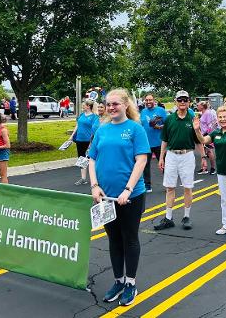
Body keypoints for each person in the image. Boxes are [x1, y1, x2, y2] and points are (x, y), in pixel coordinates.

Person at [88, 88, 149, 306]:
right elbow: (92, 159)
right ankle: (118, 281)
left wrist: (128, 189)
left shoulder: (135, 129)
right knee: (114, 240)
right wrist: (95, 186)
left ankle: (131, 283)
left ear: (126, 105)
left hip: (130, 197)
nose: (111, 107)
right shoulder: (102, 130)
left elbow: (141, 160)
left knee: (129, 238)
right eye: (108, 104)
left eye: (116, 104)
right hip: (105, 197)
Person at [193, 106, 226, 238]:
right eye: (220, 117)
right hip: (221, 171)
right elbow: (203, 140)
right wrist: (197, 130)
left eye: (224, 117)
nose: (222, 119)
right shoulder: (215, 132)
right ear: (217, 118)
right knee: (224, 199)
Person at [154, 90, 198, 231]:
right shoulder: (170, 119)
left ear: (189, 102)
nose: (183, 102)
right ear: (176, 102)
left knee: (187, 187)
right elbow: (165, 140)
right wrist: (161, 157)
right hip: (172, 155)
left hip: (187, 155)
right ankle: (168, 218)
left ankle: (186, 217)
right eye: (180, 100)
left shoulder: (192, 118)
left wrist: (203, 157)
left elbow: (199, 140)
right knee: (170, 187)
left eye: (185, 99)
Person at [140, 93, 168, 193]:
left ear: (154, 100)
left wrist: (159, 127)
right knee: (145, 165)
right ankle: (147, 186)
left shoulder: (161, 111)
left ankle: (168, 184)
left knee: (164, 164)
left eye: (150, 100)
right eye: (146, 100)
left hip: (159, 142)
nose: (148, 102)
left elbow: (168, 124)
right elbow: (141, 125)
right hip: (146, 143)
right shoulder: (143, 111)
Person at [69, 99, 99, 185]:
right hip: (79, 139)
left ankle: (96, 178)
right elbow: (77, 125)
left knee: (91, 159)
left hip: (88, 141)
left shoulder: (94, 117)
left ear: (88, 106)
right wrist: (71, 136)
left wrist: (91, 142)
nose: (82, 106)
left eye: (84, 105)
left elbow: (94, 129)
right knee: (81, 159)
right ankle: (83, 178)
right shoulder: (81, 115)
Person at [196, 101, 217, 175]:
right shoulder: (203, 113)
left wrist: (207, 135)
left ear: (202, 106)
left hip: (207, 135)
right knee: (204, 152)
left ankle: (213, 168)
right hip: (203, 135)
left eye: (198, 105)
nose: (196, 106)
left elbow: (210, 125)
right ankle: (204, 168)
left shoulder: (208, 113)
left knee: (209, 151)